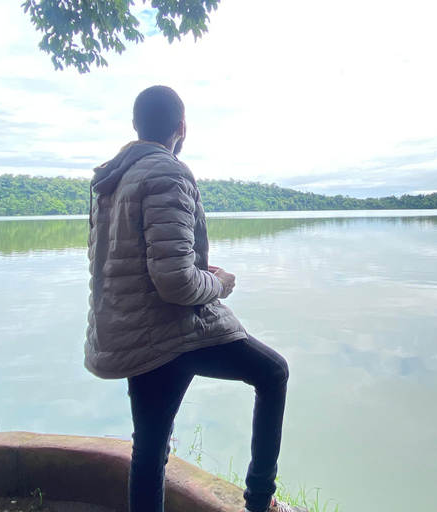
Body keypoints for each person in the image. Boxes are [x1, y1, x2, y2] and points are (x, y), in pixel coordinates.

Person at [85, 85, 305, 512]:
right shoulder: (168, 172)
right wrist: (218, 283)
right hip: (173, 333)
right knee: (273, 373)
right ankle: (261, 501)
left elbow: (123, 266)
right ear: (182, 127)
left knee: (148, 451)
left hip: (130, 334)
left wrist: (193, 273)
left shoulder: (109, 182)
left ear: (136, 125)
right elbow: (176, 284)